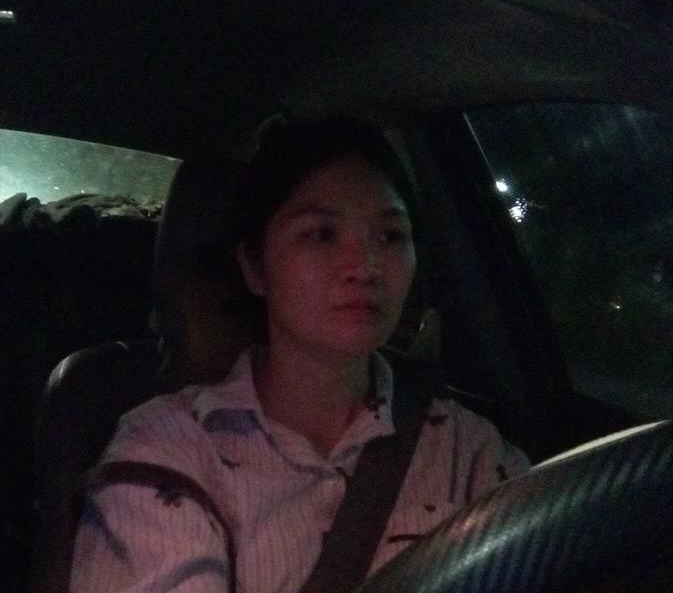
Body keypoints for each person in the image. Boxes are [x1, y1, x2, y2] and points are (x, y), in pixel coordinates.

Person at [70, 117, 529, 592]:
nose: (366, 267)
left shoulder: (464, 448)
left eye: (391, 236)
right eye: (322, 234)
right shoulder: (170, 450)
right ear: (254, 267)